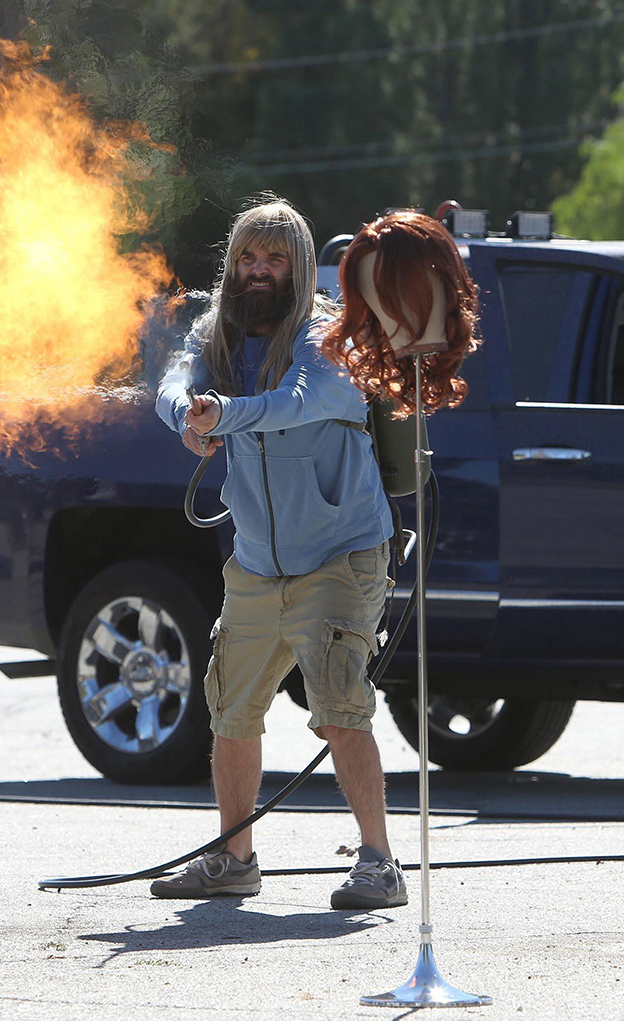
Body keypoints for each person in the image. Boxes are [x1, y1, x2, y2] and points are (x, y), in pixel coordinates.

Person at [153, 195, 404, 909]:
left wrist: (224, 414)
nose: (258, 271)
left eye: (274, 259)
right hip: (259, 562)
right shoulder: (217, 331)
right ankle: (235, 861)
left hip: (339, 555)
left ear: (299, 268)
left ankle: (380, 865)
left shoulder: (330, 335)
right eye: (247, 258)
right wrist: (186, 416)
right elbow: (173, 383)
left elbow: (299, 401)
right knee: (231, 707)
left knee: (338, 707)